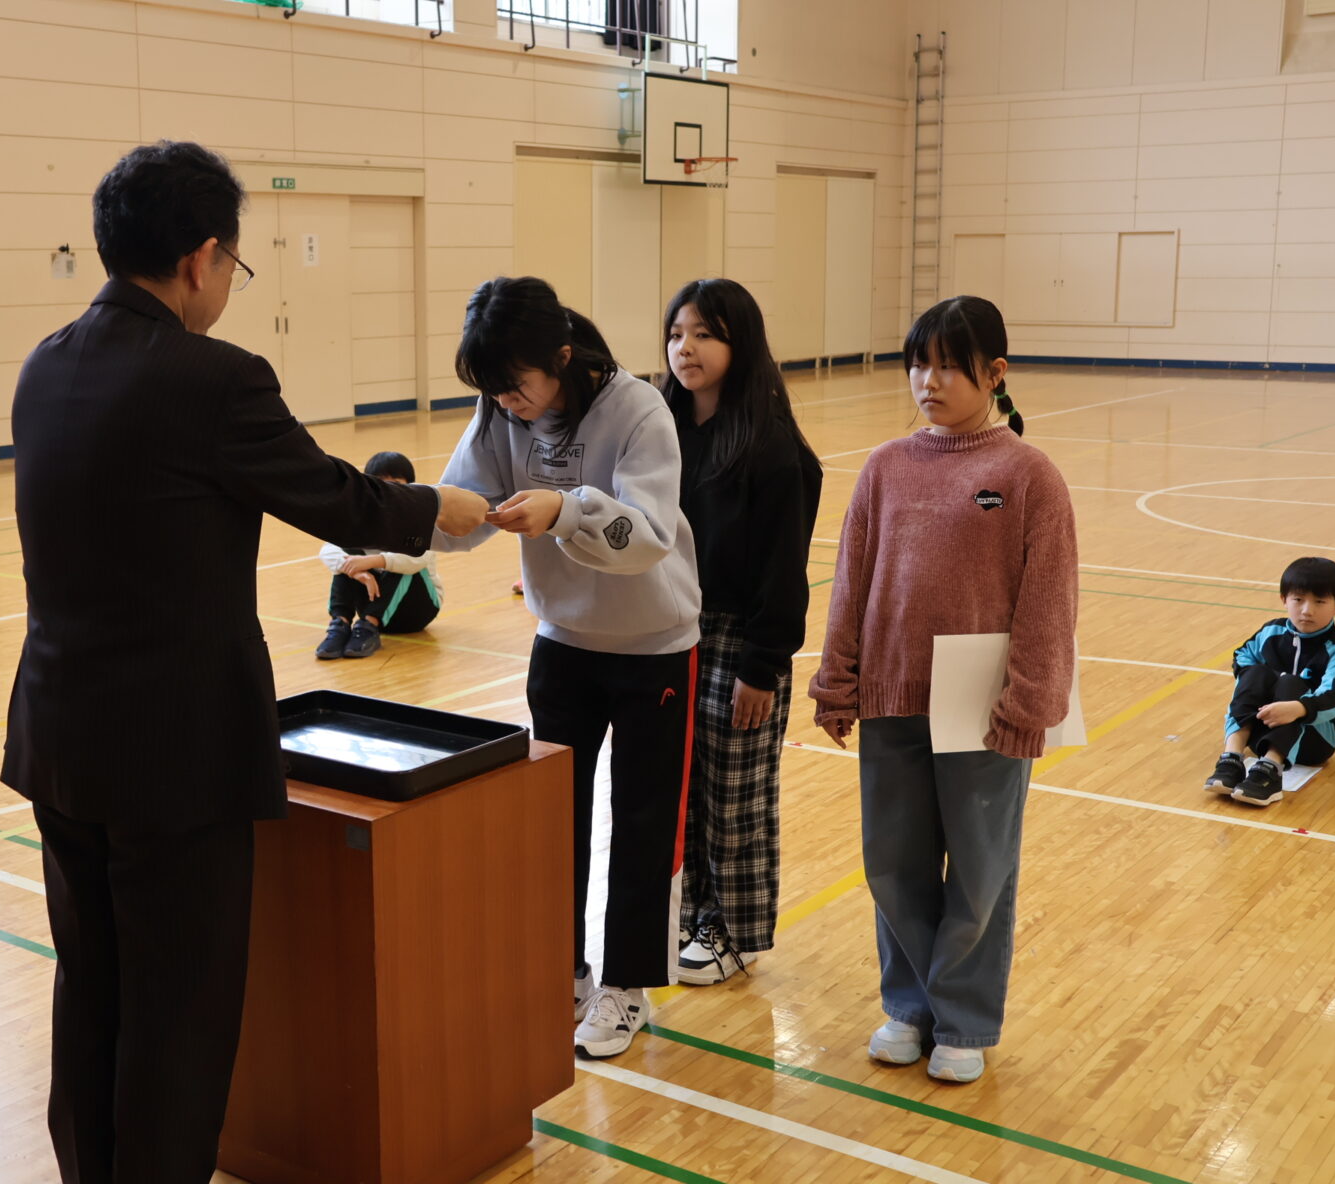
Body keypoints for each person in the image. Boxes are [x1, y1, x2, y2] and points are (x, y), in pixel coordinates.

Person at [1, 140, 487, 1184]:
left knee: (93, 987)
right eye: (234, 266)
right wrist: (448, 509)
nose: (226, 284)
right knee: (178, 1018)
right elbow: (337, 498)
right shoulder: (212, 378)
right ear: (202, 258)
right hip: (173, 761)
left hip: (59, 742)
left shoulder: (46, 364)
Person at [808, 295, 1077, 1085]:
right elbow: (851, 580)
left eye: (949, 365)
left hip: (983, 709)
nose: (929, 381)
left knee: (982, 870)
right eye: (918, 364)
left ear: (995, 373)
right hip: (893, 697)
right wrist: (837, 681)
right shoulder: (886, 466)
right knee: (895, 863)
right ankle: (910, 1006)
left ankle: (961, 1018)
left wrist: (1028, 703)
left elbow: (1049, 602)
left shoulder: (1027, 476)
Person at [434, 276, 702, 1059]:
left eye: (516, 387)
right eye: (493, 392)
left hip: (654, 644)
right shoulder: (497, 411)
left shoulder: (639, 411)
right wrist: (398, 529)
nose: (507, 404)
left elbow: (649, 536)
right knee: (553, 820)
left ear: (560, 355)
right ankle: (566, 971)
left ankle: (626, 989)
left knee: (647, 823)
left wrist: (564, 508)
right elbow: (461, 506)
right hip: (562, 644)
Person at [662, 279, 822, 986]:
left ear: (740, 343)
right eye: (676, 333)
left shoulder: (773, 449)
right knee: (682, 791)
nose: (684, 348)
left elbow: (785, 573)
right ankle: (697, 914)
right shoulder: (659, 430)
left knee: (734, 797)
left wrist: (763, 665)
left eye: (704, 334)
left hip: (740, 639)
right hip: (667, 630)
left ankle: (738, 929)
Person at [1204, 556, 1335, 806]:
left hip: (1314, 741)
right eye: (1298, 599)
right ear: (1284, 599)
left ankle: (1271, 770)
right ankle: (1231, 757)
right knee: (1254, 673)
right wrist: (1258, 688)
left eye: (1319, 601)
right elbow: (1242, 656)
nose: (1307, 610)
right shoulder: (1271, 632)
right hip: (1263, 727)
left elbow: (1334, 700)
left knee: (1291, 685)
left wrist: (1297, 708)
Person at [316, 450, 443, 659]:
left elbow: (418, 559)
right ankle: (340, 624)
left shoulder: (419, 518)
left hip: (416, 611)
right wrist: (358, 572)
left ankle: (368, 626)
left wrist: (372, 561)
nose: (390, 488)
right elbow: (327, 550)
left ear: (410, 486)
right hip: (372, 602)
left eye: (397, 483)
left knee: (401, 561)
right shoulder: (360, 517)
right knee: (345, 557)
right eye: (381, 482)